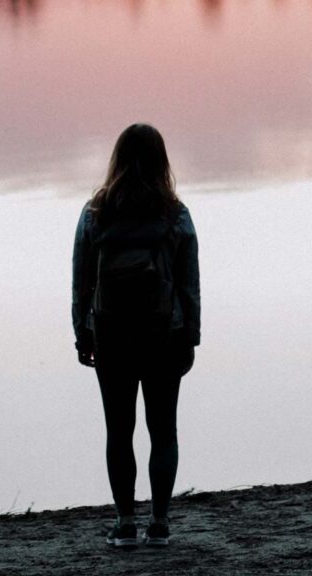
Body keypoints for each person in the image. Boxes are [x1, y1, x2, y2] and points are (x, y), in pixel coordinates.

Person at [71, 123, 200, 548]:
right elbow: (189, 284)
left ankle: (125, 524)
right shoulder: (175, 215)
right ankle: (159, 524)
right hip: (165, 333)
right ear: (162, 161)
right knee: (164, 431)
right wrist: (192, 337)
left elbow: (81, 283)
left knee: (119, 431)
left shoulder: (95, 214)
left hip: (110, 334)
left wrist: (81, 334)